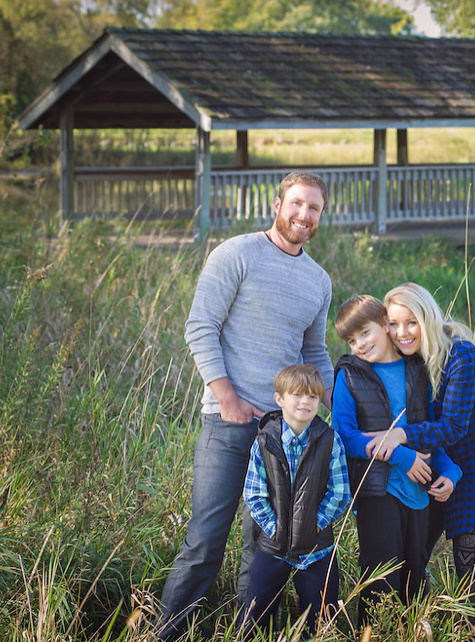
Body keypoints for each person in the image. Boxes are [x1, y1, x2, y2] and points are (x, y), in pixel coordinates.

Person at [156, 171, 334, 640]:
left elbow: (313, 353)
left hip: (281, 433)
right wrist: (228, 398)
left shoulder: (318, 280)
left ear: (321, 215)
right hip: (227, 423)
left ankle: (247, 634)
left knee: (264, 546)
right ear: (278, 203)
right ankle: (165, 633)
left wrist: (332, 408)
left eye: (314, 208)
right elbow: (200, 327)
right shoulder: (236, 253)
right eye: (296, 203)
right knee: (205, 540)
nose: (304, 214)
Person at [366, 282, 475, 607]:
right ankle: (414, 621)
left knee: (469, 567)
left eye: (411, 322)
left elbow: (454, 427)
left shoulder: (461, 355)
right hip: (434, 466)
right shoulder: (406, 359)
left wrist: (400, 437)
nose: (402, 332)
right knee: (412, 554)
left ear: (427, 318)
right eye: (393, 324)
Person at [331, 294, 462, 625]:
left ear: (385, 324)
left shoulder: (417, 370)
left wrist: (448, 471)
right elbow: (345, 436)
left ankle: (414, 631)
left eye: (365, 332)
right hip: (377, 491)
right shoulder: (349, 375)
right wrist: (401, 455)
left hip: (419, 492)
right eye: (351, 339)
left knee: (415, 575)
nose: (359, 344)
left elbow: (430, 432)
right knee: (379, 577)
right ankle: (369, 633)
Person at [240, 364, 351, 638]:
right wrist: (276, 528)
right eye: (298, 395)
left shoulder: (329, 440)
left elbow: (340, 492)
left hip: (317, 549)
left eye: (313, 397)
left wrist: (314, 526)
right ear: (280, 399)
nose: (306, 402)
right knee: (256, 615)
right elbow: (254, 492)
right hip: (272, 546)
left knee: (322, 618)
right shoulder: (265, 441)